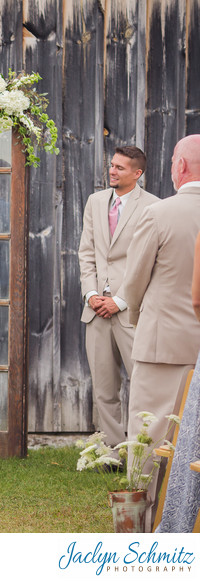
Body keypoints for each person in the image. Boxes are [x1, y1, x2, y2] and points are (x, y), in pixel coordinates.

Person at [118, 134, 200, 529]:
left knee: (149, 434)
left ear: (180, 166)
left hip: (162, 342)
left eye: (171, 161)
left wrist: (136, 317)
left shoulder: (160, 213)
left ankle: (144, 523)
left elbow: (134, 280)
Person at [78, 146, 159, 450]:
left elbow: (150, 262)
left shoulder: (153, 207)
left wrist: (121, 300)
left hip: (132, 311)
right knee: (104, 388)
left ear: (137, 174)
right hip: (96, 311)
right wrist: (92, 294)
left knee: (142, 385)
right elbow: (87, 252)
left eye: (120, 168)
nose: (112, 171)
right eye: (112, 166)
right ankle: (111, 451)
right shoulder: (95, 202)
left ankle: (143, 450)